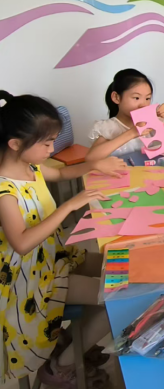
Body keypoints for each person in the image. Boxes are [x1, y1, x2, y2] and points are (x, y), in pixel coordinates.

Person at [0, 91, 125, 386]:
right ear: (15, 144)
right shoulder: (5, 191)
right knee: (118, 296)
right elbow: (22, 243)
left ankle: (73, 343)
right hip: (31, 280)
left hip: (55, 257)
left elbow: (61, 174)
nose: (52, 148)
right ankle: (62, 365)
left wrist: (95, 165)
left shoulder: (30, 165)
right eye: (46, 143)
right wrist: (68, 206)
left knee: (123, 267)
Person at [87, 69, 164, 160]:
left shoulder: (151, 121)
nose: (143, 104)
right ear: (116, 97)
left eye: (147, 98)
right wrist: (132, 133)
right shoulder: (108, 127)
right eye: (136, 98)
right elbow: (91, 158)